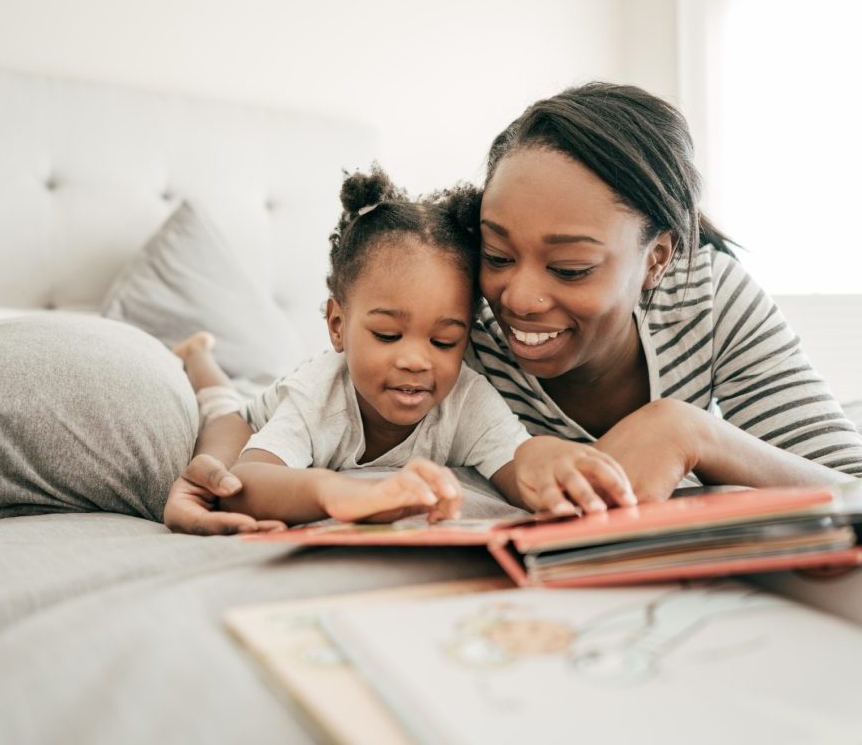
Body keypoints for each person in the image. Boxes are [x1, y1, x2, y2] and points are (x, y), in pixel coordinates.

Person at [170, 82, 862, 534]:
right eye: (498, 255)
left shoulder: (710, 298)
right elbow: (302, 413)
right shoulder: (453, 316)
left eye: (571, 267)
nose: (517, 301)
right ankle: (198, 356)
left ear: (657, 259)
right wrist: (213, 475)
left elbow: (849, 487)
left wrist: (693, 432)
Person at [164, 167, 635, 534]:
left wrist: (552, 462)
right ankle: (198, 355)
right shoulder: (317, 395)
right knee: (222, 414)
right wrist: (338, 492)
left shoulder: (466, 400)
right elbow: (250, 481)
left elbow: (517, 462)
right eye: (388, 335)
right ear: (337, 326)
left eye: (444, 341)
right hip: (255, 415)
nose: (415, 360)